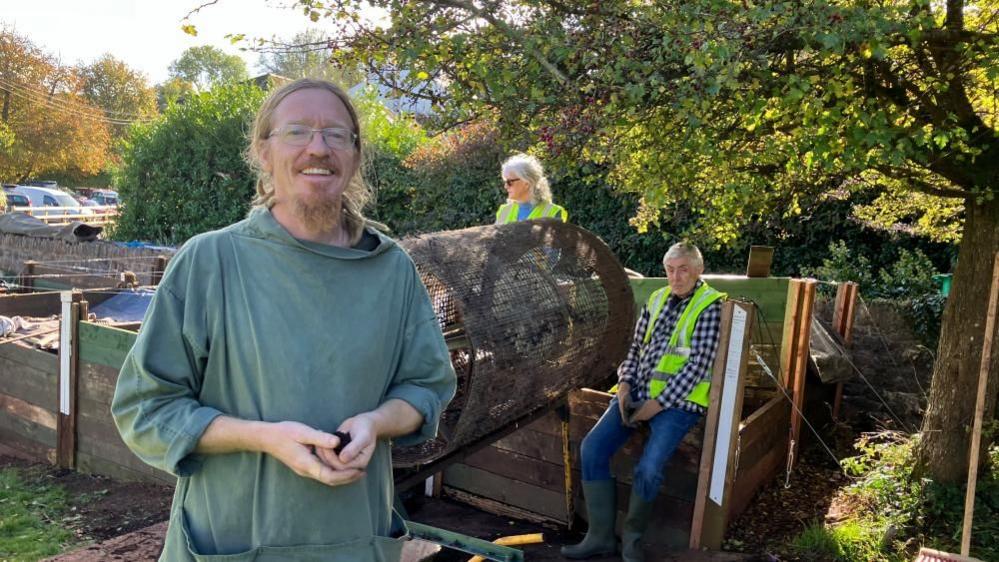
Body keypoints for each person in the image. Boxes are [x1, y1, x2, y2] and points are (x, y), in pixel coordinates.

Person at [111, 78, 457, 562]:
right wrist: (265, 438)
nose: (319, 147)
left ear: (355, 156)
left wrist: (376, 423)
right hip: (232, 540)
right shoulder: (211, 261)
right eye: (297, 131)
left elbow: (425, 388)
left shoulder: (391, 268)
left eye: (336, 134)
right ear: (262, 151)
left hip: (356, 540)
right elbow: (145, 409)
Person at [561, 242, 725, 562]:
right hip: (636, 394)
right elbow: (634, 349)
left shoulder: (710, 306)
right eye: (670, 270)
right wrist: (623, 385)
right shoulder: (656, 298)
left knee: (649, 468)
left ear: (698, 270)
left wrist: (657, 404)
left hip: (677, 405)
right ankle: (599, 538)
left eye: (683, 270)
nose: (676, 278)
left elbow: (697, 367)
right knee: (592, 449)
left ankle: (632, 542)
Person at [495, 153, 567, 224]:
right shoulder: (504, 211)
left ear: (526, 183)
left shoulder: (554, 212)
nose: (505, 186)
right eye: (505, 182)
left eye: (509, 182)